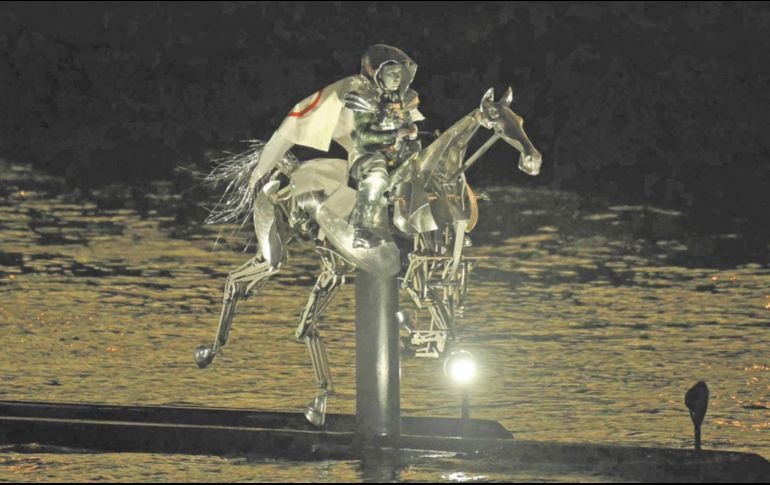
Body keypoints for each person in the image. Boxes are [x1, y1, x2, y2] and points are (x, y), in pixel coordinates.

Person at [249, 44, 424, 248]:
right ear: (376, 73)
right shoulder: (358, 94)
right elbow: (359, 137)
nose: (396, 78)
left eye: (399, 73)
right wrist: (261, 170)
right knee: (376, 175)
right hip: (367, 155)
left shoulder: (401, 99)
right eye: (391, 73)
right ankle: (361, 230)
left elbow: (408, 124)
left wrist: (410, 133)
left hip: (396, 154)